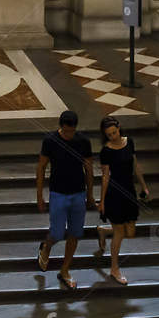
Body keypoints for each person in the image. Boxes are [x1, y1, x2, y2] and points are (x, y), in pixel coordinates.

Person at [36, 109, 94, 290]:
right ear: (60, 127)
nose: (69, 135)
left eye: (72, 131)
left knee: (75, 233)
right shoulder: (50, 141)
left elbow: (89, 169)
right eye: (66, 131)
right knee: (57, 232)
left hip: (78, 193)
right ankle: (46, 246)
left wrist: (90, 194)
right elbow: (41, 167)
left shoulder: (83, 142)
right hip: (58, 193)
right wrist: (40, 195)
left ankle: (65, 270)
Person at [94, 115, 151, 285]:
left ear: (119, 128)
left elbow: (135, 166)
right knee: (120, 232)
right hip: (114, 193)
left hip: (129, 191)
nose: (113, 136)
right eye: (109, 135)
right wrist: (102, 201)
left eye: (114, 132)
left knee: (130, 232)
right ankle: (114, 269)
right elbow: (105, 177)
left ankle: (104, 231)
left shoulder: (129, 142)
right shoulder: (106, 151)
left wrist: (144, 187)